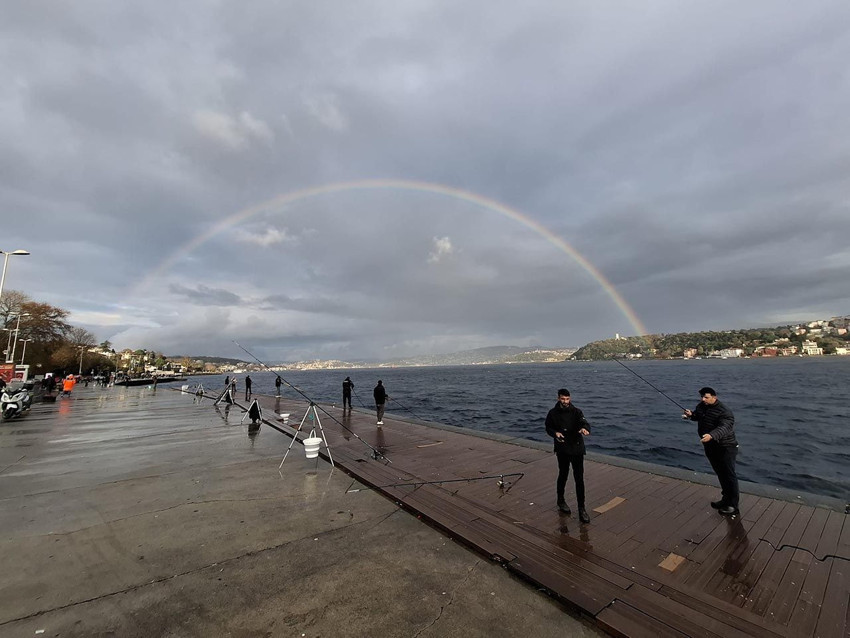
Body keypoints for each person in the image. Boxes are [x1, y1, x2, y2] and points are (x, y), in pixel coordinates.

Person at [683, 387, 739, 516]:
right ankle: (725, 500)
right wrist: (691, 415)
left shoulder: (725, 412)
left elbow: (724, 427)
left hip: (726, 447)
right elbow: (699, 416)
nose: (703, 400)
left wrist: (712, 435)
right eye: (702, 397)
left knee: (729, 475)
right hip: (710, 446)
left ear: (715, 397)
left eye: (706, 397)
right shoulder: (702, 406)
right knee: (720, 473)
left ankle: (733, 505)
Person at [545, 388, 591, 524]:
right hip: (562, 448)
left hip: (576, 448)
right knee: (563, 474)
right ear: (558, 398)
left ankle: (582, 508)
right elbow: (548, 427)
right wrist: (555, 434)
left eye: (567, 399)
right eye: (563, 399)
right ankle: (560, 500)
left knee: (579, 479)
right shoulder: (552, 413)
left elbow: (584, 423)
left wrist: (585, 429)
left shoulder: (577, 411)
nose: (565, 401)